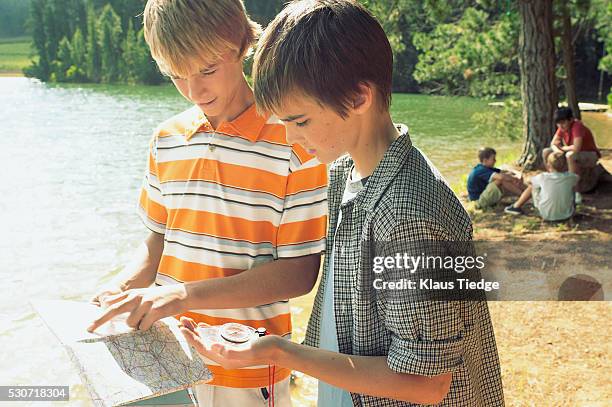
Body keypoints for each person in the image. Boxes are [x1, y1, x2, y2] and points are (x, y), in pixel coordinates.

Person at [179, 1, 504, 406]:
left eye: (300, 122)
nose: (292, 139)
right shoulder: (344, 169)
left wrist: (278, 352)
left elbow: (426, 383)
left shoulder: (410, 216)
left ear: (358, 97)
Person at [87, 1, 328, 405]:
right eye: (176, 76)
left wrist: (181, 296)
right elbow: (156, 243)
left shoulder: (296, 143)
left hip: (248, 367)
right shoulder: (166, 138)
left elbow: (299, 274)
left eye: (207, 71)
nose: (194, 90)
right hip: (165, 360)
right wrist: (123, 287)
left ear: (240, 45)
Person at [504, 151, 578, 221]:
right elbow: (574, 176)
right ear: (565, 166)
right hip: (567, 214)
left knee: (532, 186)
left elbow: (530, 181)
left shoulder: (542, 177)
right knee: (572, 187)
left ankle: (516, 206)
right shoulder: (571, 177)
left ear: (548, 165)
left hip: (545, 214)